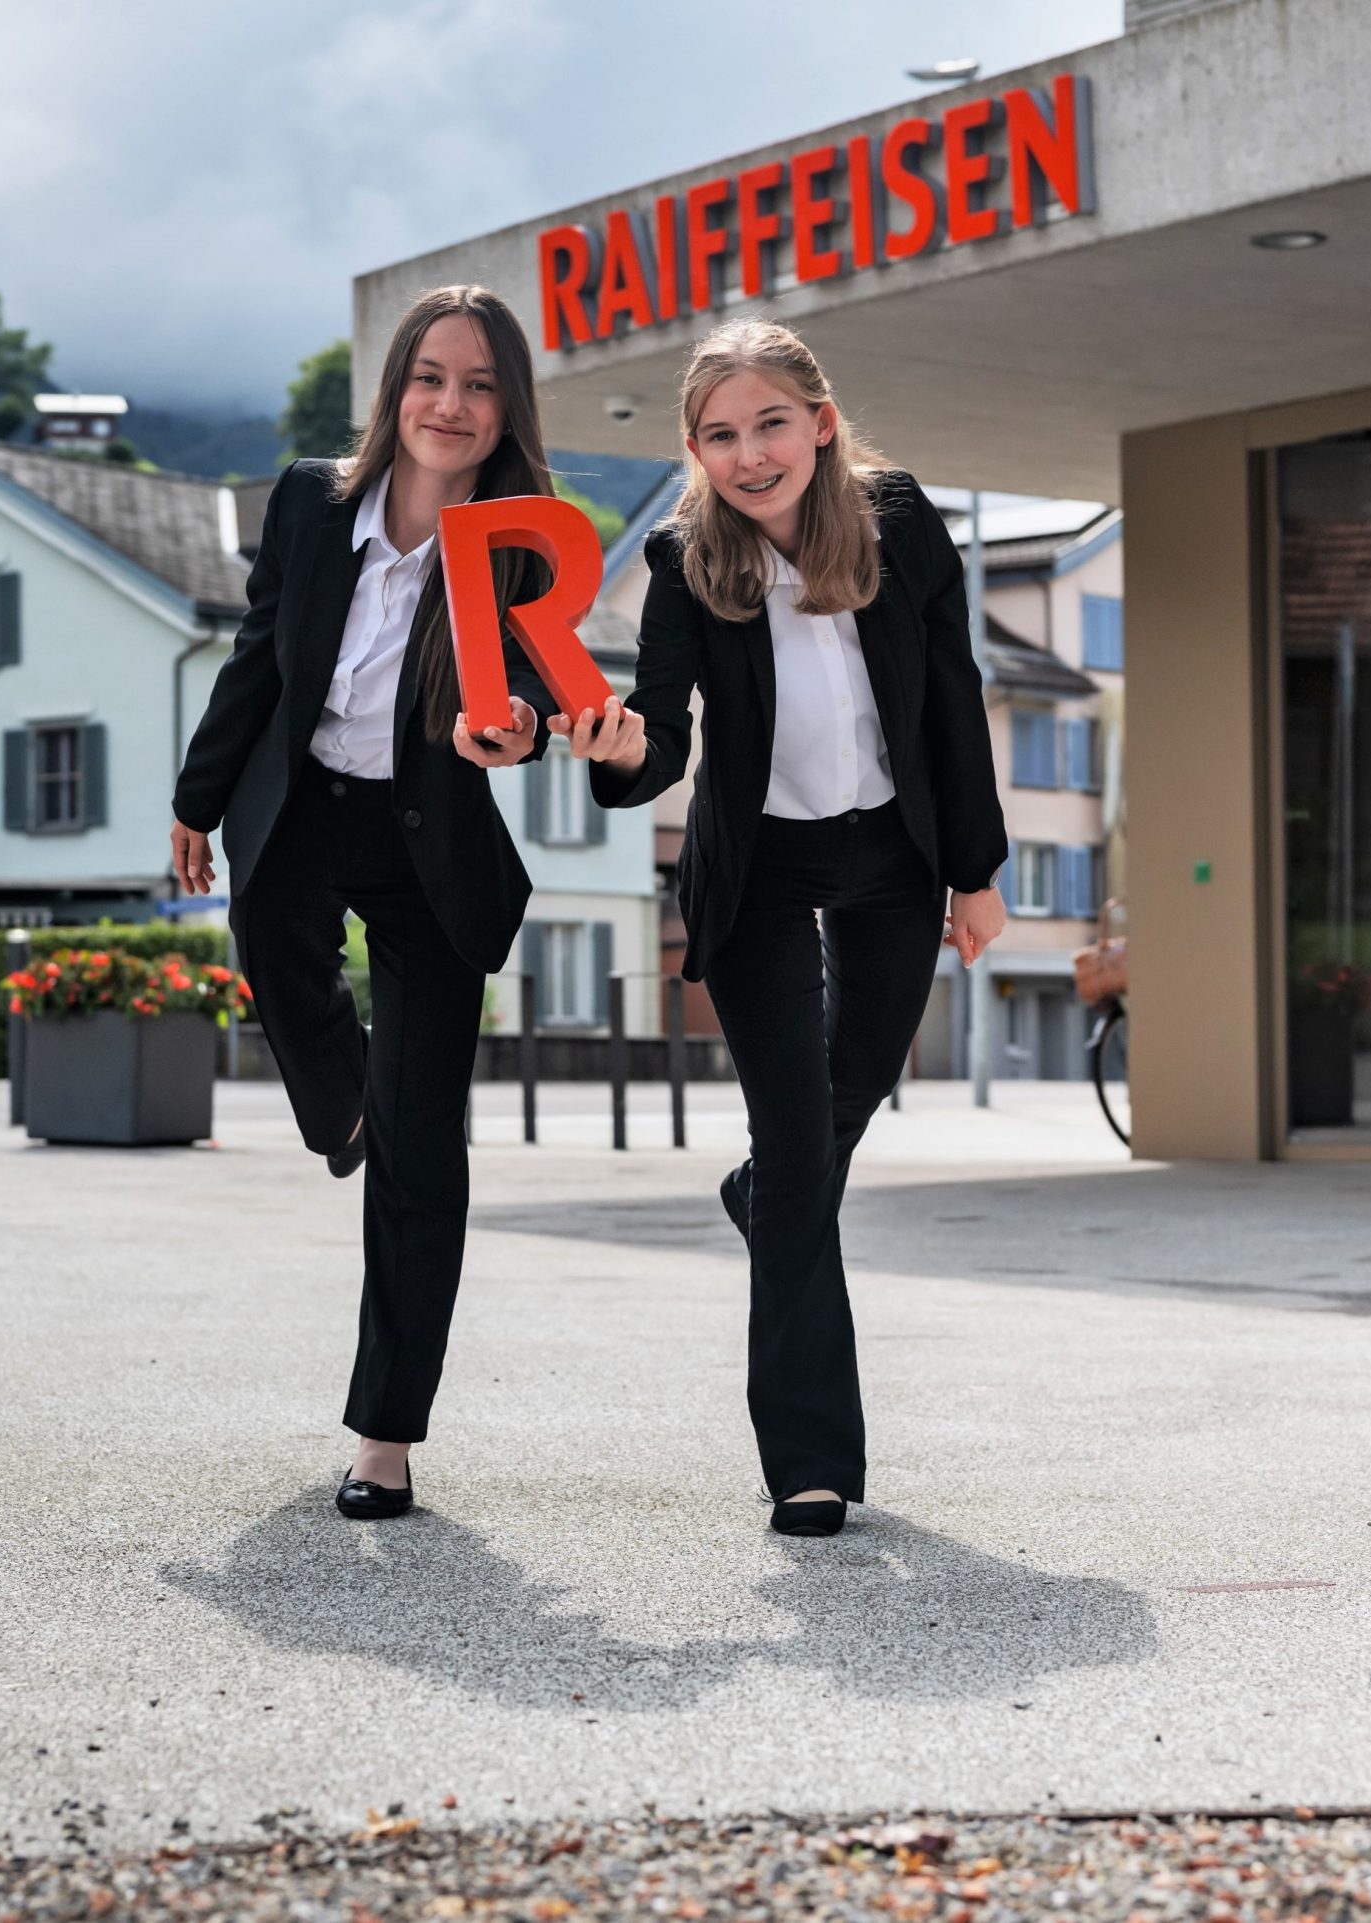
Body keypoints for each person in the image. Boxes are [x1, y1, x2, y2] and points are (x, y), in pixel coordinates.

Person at [556, 318, 1008, 1538]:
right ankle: (808, 1462)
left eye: (769, 424)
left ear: (819, 420)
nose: (749, 455)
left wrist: (976, 872)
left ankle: (766, 1189)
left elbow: (954, 697)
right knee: (804, 1148)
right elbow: (660, 730)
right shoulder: (683, 557)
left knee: (842, 1110)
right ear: (694, 450)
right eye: (719, 435)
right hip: (757, 867)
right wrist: (616, 749)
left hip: (893, 857)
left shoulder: (901, 522)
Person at [170, 285, 559, 1522]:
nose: (451, 403)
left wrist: (524, 734)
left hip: (432, 843)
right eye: (431, 376)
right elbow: (258, 646)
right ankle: (343, 1108)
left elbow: (547, 686)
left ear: (507, 412)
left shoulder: (526, 536)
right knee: (272, 942)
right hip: (305, 806)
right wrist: (198, 793)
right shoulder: (306, 498)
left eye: (481, 384)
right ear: (395, 389)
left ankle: (384, 1436)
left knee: (423, 1156)